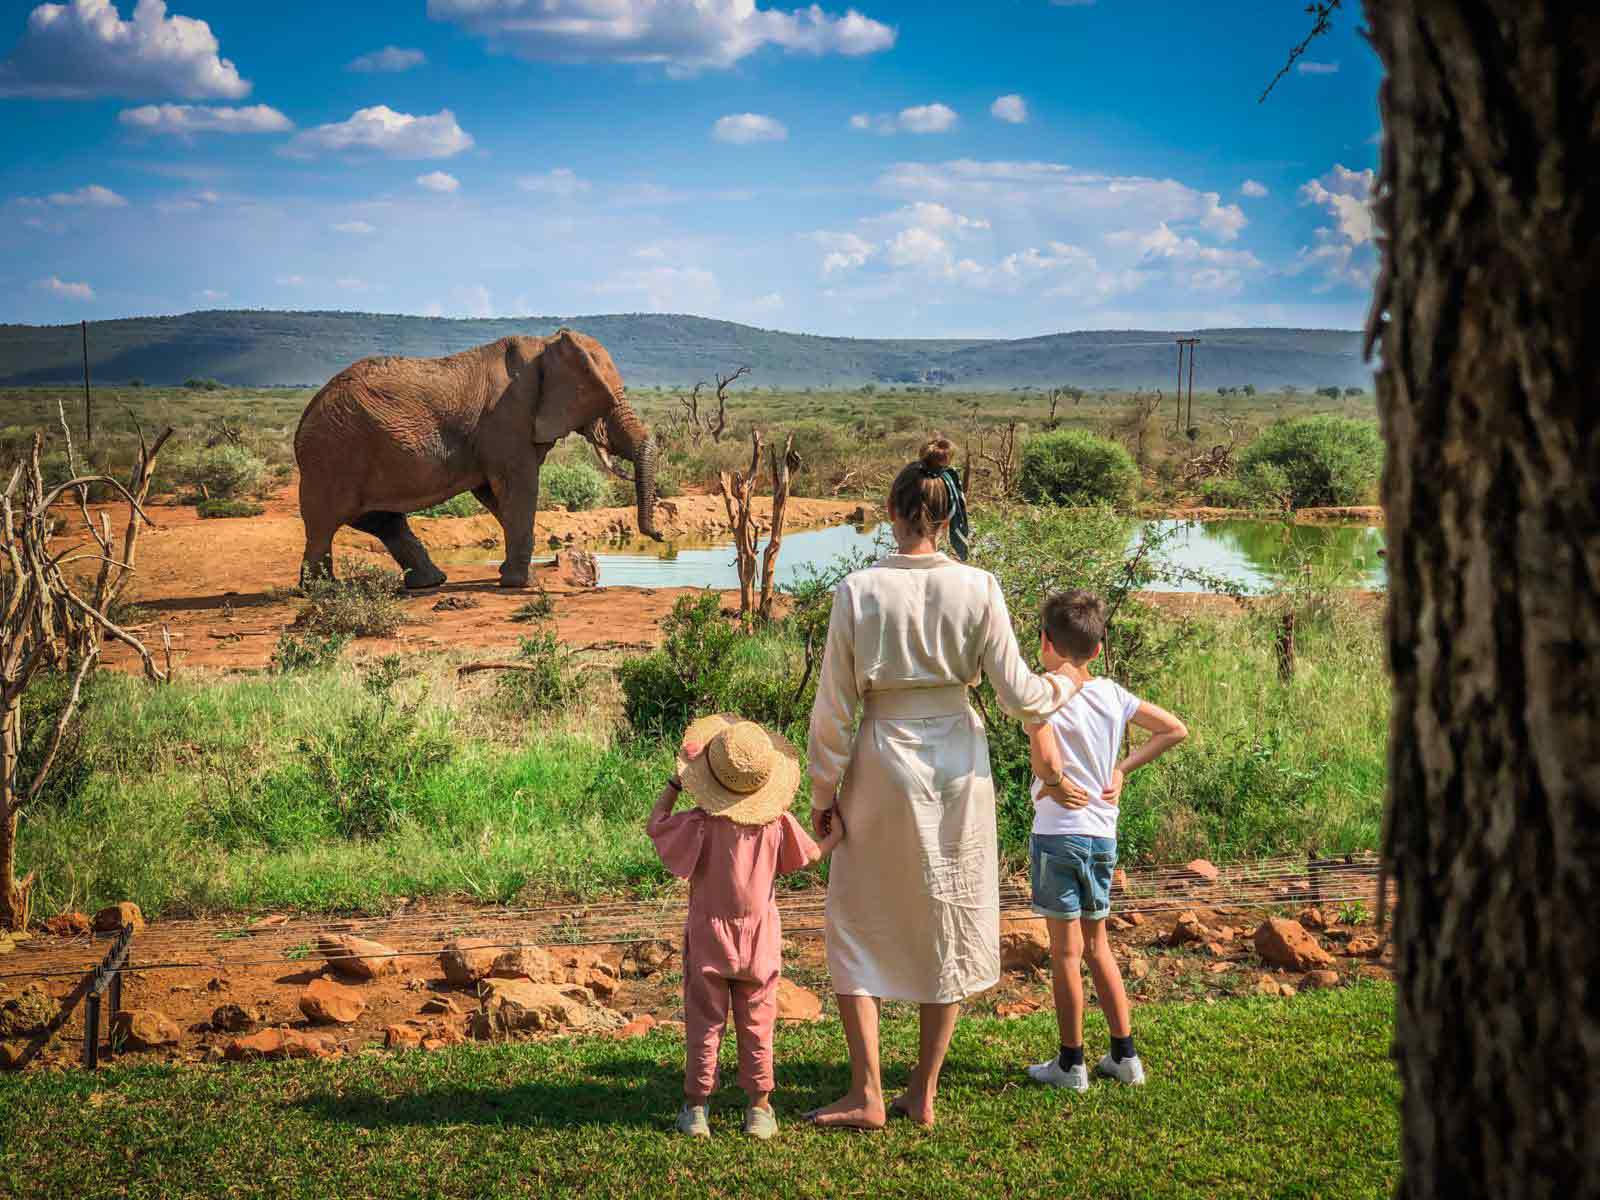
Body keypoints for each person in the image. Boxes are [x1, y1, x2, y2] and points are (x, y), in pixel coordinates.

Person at [805, 437, 1083, 1130]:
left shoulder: (859, 590)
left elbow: (834, 710)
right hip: (959, 760)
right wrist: (1065, 683)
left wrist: (822, 793)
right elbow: (1019, 695)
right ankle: (923, 1090)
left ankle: (867, 1092)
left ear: (892, 512)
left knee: (856, 917)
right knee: (948, 912)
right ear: (948, 514)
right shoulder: (979, 586)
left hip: (881, 760)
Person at [647, 713, 842, 1140]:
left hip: (709, 937)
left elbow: (656, 824)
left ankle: (696, 1109)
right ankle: (759, 1109)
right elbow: (810, 856)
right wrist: (835, 836)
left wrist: (676, 781)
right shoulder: (776, 824)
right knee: (758, 1022)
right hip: (760, 939)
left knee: (704, 1022)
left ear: (711, 777)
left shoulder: (699, 824)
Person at [1024, 589, 1188, 1091]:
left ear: (1045, 642)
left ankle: (1071, 1064)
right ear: (1098, 649)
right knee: (1098, 947)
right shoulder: (1114, 694)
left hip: (1058, 834)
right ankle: (1125, 1056)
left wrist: (1053, 782)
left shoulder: (1042, 692)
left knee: (1065, 955)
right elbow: (1174, 729)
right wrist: (1121, 768)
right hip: (1101, 837)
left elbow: (1046, 759)